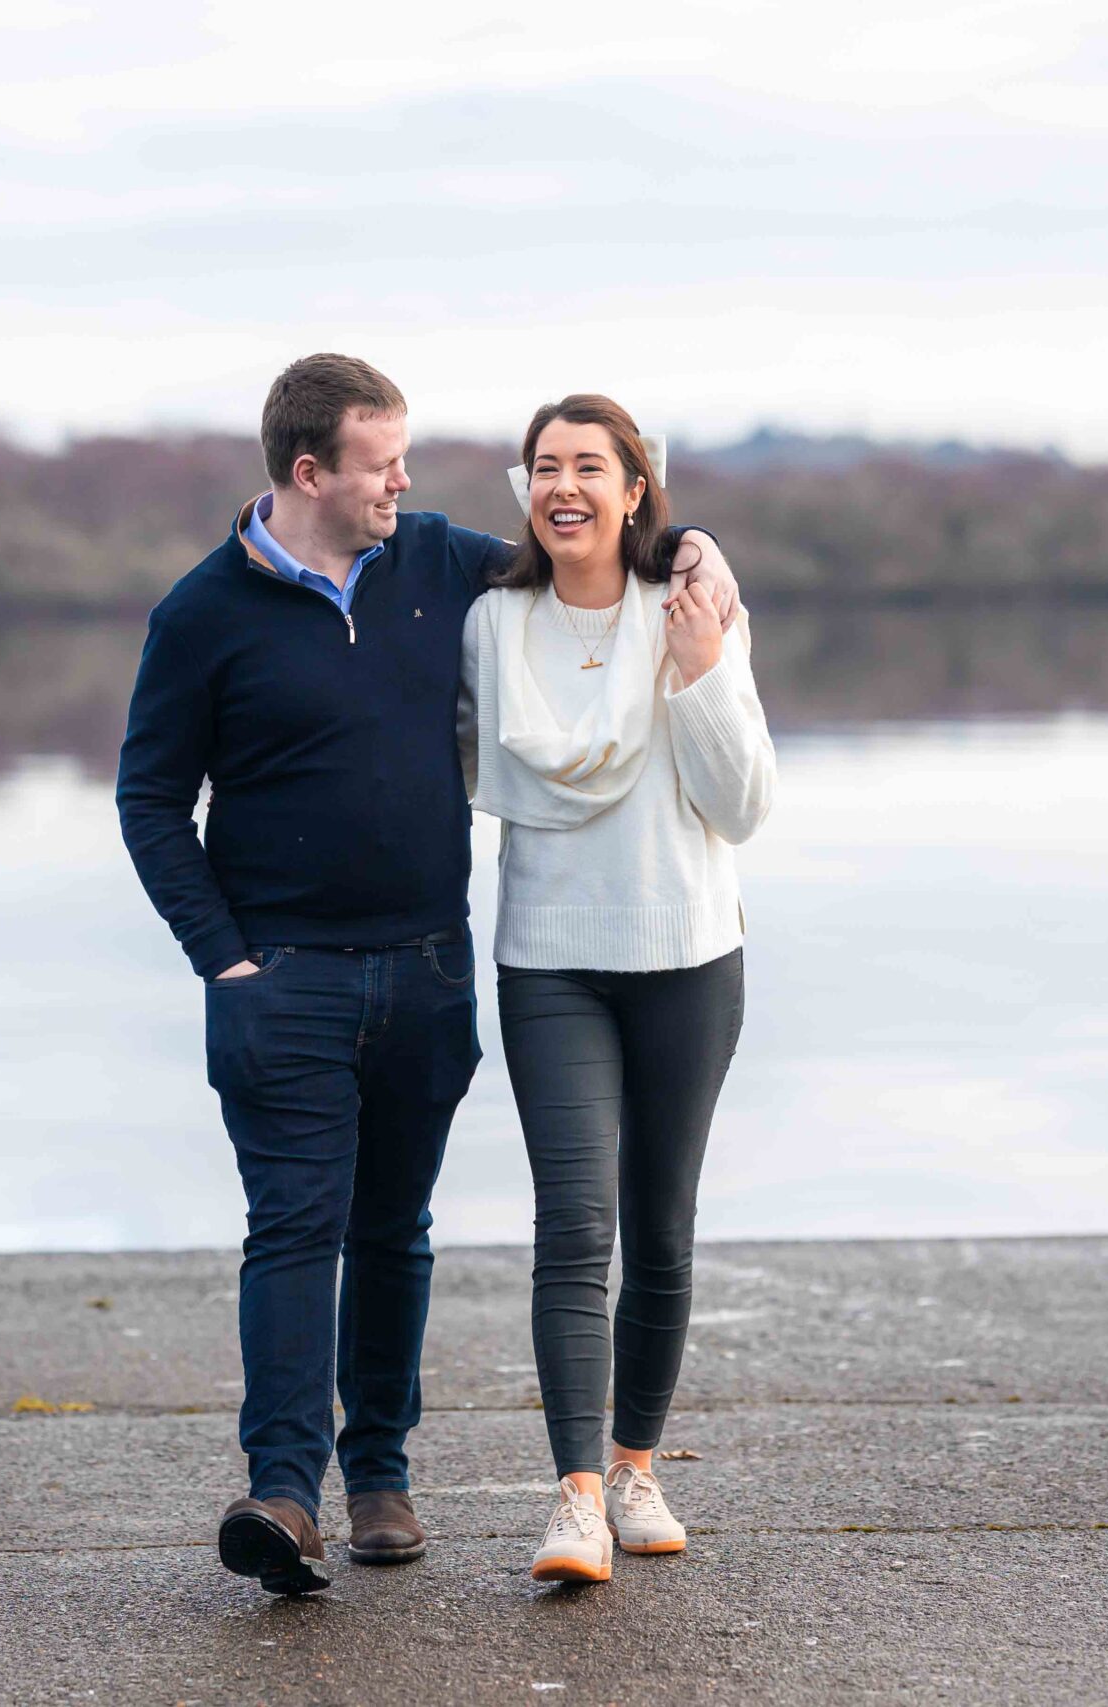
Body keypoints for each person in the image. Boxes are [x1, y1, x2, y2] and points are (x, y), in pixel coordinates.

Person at [114, 355, 740, 1596]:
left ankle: (380, 1479)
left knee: (395, 1231)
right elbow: (147, 801)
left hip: (427, 969)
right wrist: (224, 959)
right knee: (294, 1229)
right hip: (279, 979)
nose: (407, 480)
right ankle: (285, 1496)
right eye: (380, 462)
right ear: (310, 473)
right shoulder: (201, 615)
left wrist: (697, 542)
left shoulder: (438, 565)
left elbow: (585, 549)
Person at [457, 393, 775, 1585]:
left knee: (663, 1228)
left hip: (688, 955)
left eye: (590, 466)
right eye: (544, 467)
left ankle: (636, 1466)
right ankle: (577, 1498)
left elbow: (740, 807)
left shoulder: (689, 609)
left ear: (637, 489)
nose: (563, 487)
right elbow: (448, 758)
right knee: (573, 1226)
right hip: (549, 959)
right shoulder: (493, 622)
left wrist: (699, 676)